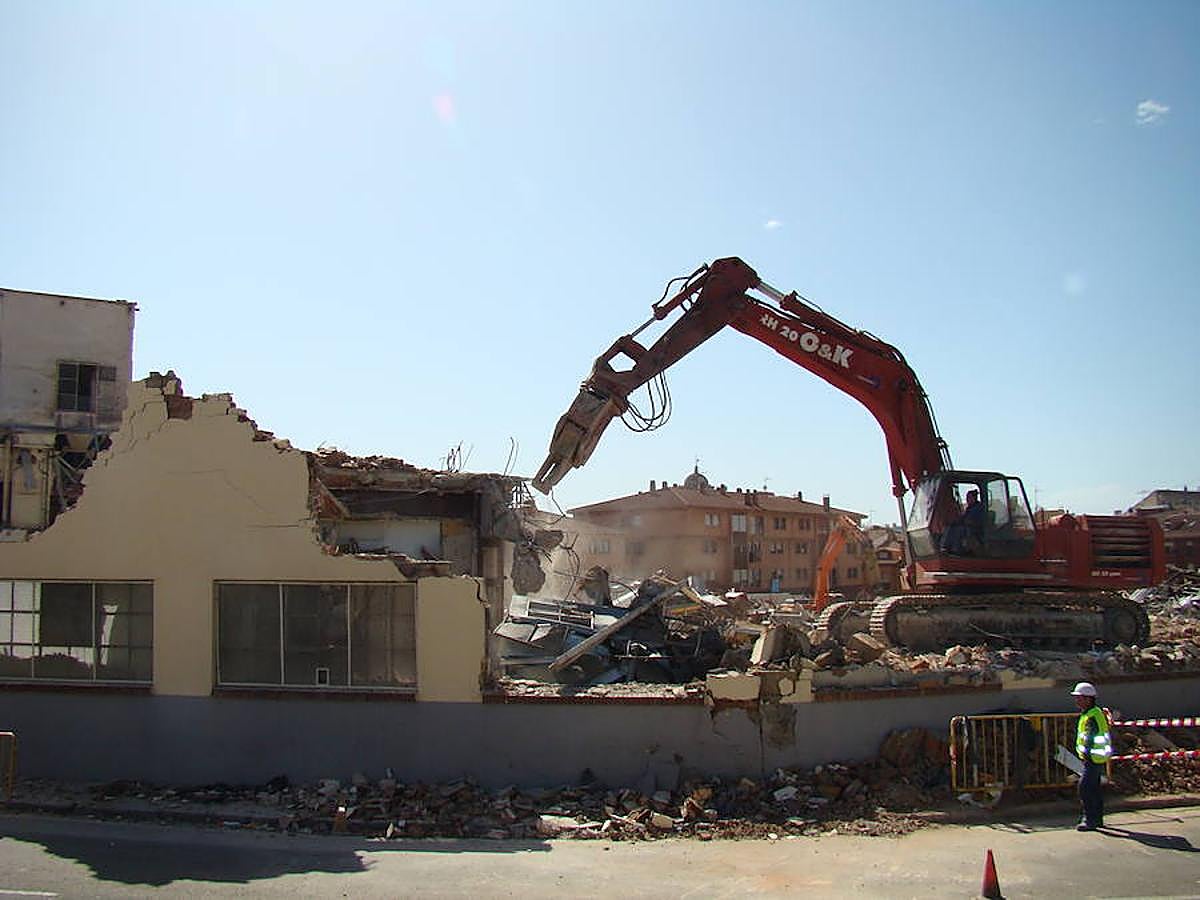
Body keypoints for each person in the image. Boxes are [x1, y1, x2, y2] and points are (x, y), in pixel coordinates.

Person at [1071, 681, 1112, 831]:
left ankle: (1090, 819)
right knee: (1094, 789)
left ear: (1088, 699)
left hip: (1092, 758)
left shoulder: (1092, 715)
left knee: (1085, 788)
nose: (1077, 701)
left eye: (1079, 698)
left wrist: (1086, 753)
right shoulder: (1092, 713)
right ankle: (1097, 819)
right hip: (1095, 758)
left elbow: (1090, 736)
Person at [940, 489, 986, 555]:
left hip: (975, 529)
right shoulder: (969, 508)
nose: (967, 500)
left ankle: (955, 550)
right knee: (950, 527)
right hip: (968, 527)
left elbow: (974, 521)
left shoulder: (978, 508)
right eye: (967, 498)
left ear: (974, 498)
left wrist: (963, 521)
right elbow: (963, 518)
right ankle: (945, 547)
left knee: (958, 530)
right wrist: (955, 521)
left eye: (969, 497)